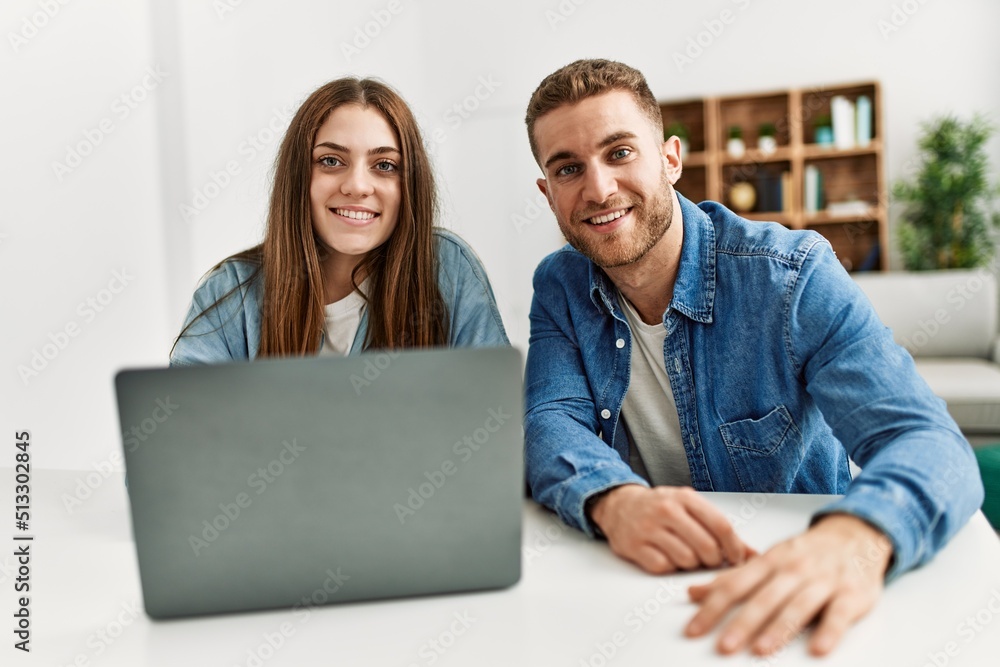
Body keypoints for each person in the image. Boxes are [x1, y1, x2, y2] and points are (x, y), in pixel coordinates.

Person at [522, 59, 983, 657]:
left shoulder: (791, 275)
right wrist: (614, 499)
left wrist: (857, 534)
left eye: (619, 153)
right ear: (548, 193)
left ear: (670, 159)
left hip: (790, 580)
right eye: (568, 168)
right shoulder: (559, 284)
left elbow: (929, 441)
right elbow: (549, 421)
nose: (599, 188)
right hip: (638, 592)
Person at [170, 77, 507, 364]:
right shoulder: (230, 293)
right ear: (299, 176)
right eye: (331, 161)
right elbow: (184, 431)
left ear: (409, 185)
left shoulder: (448, 268)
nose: (357, 186)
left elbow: (495, 421)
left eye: (385, 165)